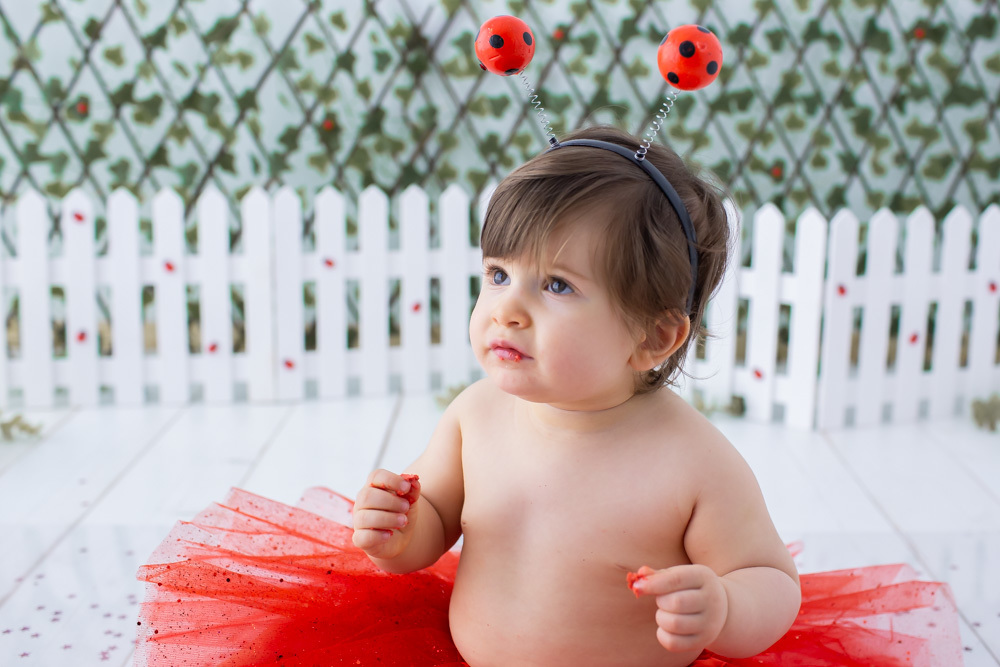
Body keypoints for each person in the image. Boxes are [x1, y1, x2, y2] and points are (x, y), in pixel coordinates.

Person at [135, 125, 960, 667]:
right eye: (498, 274)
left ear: (654, 337)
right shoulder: (476, 414)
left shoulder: (692, 458)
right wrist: (395, 531)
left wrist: (724, 604)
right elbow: (436, 527)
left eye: (558, 284)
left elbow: (769, 579)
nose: (508, 306)